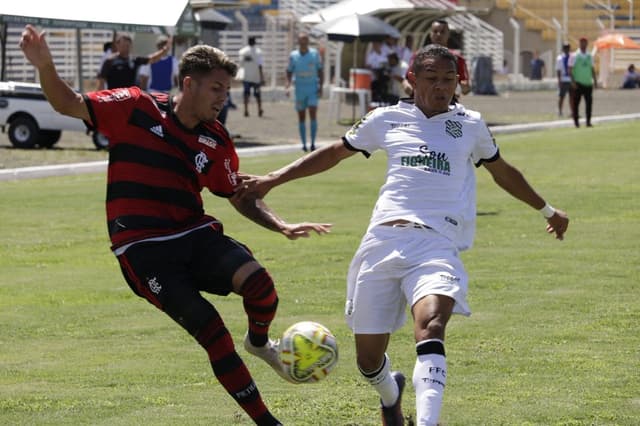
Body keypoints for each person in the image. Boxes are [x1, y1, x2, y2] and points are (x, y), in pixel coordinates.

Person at [238, 45, 570, 426]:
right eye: (432, 79)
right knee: (368, 360)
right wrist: (272, 179)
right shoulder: (385, 119)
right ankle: (390, 393)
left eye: (449, 79)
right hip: (382, 242)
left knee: (431, 325)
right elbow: (332, 153)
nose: (441, 87)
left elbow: (503, 172)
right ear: (411, 80)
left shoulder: (470, 125)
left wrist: (548, 210)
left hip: (436, 244)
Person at [19, 24, 332, 426]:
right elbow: (68, 103)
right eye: (217, 88)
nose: (224, 98)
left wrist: (282, 225)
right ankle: (267, 422)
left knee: (261, 287)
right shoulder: (135, 106)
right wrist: (45, 66)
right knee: (213, 333)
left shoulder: (216, 140)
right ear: (190, 84)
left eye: (227, 90)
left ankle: (259, 343)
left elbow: (237, 193)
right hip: (143, 250)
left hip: (193, 233)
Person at [405, 20, 471, 102]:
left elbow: (466, 88)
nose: (438, 34)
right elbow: (407, 79)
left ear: (448, 34)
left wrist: (464, 87)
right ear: (430, 34)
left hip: (447, 104)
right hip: (421, 104)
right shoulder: (418, 56)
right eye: (435, 31)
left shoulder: (457, 58)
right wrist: (408, 87)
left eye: (442, 32)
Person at [286, 32, 323, 152]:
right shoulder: (293, 55)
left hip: (312, 88)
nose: (303, 42)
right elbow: (289, 70)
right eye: (301, 40)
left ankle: (312, 142)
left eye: (305, 40)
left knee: (313, 113)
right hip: (300, 89)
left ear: (308, 41)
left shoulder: (314, 54)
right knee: (301, 116)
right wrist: (288, 84)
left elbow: (320, 70)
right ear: (298, 42)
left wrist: (320, 86)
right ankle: (303, 144)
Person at [96, 32, 169, 90]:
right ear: (117, 45)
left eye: (128, 46)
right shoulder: (109, 61)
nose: (126, 48)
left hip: (131, 98)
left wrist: (163, 51)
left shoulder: (134, 60)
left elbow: (152, 59)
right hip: (114, 98)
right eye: (124, 45)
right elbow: (101, 81)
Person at [569, 37, 597, 128]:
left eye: (585, 42)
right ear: (579, 44)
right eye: (582, 42)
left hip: (588, 83)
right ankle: (576, 122)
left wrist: (595, 81)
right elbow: (570, 69)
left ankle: (588, 122)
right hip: (578, 83)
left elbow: (592, 69)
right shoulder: (574, 56)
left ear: (587, 43)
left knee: (589, 103)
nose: (583, 44)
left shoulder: (590, 56)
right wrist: (573, 81)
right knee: (576, 104)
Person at [238, 36, 265, 117]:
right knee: (257, 94)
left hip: (246, 77)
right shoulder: (259, 52)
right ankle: (259, 109)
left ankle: (246, 110)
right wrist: (262, 78)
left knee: (246, 94)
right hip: (256, 78)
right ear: (255, 42)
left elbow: (241, 65)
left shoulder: (243, 52)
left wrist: (240, 75)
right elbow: (260, 65)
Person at [555, 43, 573, 117]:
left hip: (571, 79)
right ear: (563, 49)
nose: (566, 49)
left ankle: (572, 112)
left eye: (567, 48)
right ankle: (560, 111)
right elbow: (558, 70)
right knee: (562, 97)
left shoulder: (572, 57)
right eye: (565, 48)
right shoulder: (560, 58)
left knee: (572, 97)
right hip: (563, 79)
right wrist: (559, 80)